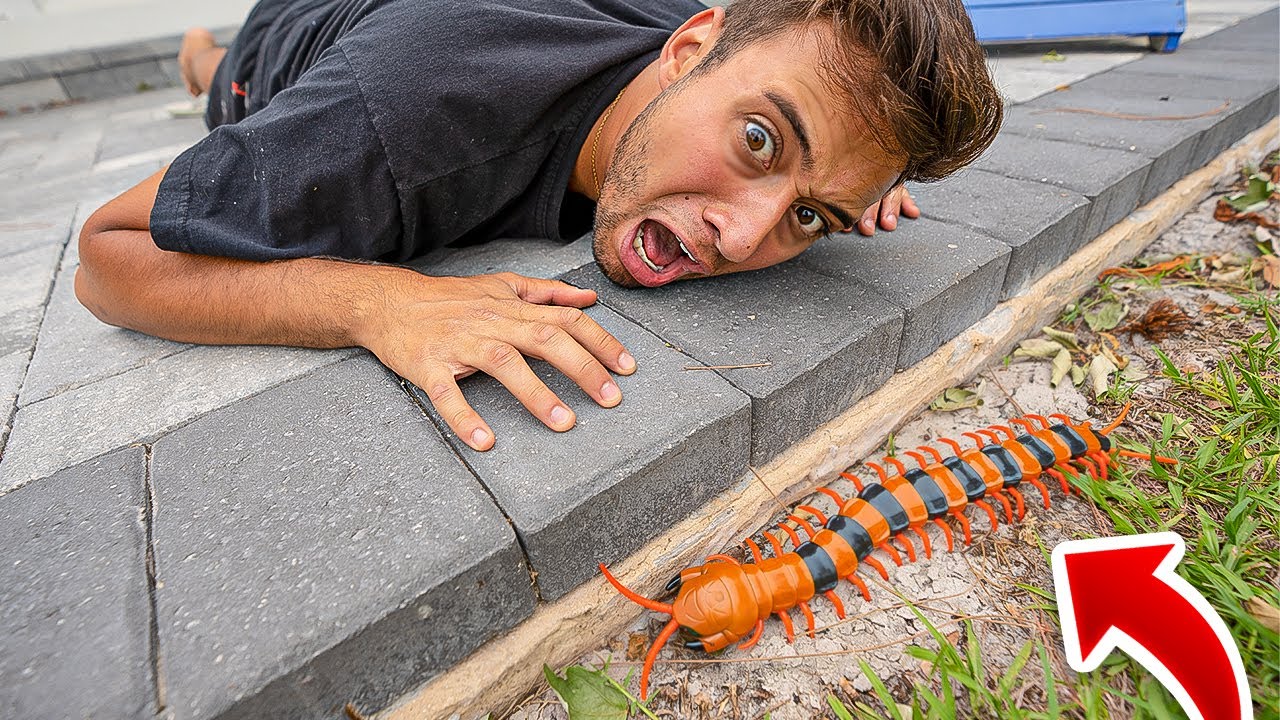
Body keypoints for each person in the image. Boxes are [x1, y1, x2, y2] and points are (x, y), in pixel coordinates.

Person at [75, 0, 1002, 451]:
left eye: (808, 218)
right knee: (221, 72)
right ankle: (199, 56)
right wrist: (371, 301)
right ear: (688, 52)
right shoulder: (407, 117)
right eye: (760, 140)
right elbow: (109, 259)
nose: (747, 238)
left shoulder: (731, 58)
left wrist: (839, 173)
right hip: (297, 33)